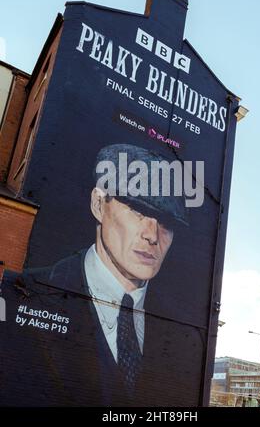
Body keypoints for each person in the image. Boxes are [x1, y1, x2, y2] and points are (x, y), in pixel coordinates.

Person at [0, 144, 202, 407]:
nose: (152, 235)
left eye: (166, 223)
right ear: (98, 204)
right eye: (137, 210)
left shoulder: (184, 334)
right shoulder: (22, 295)